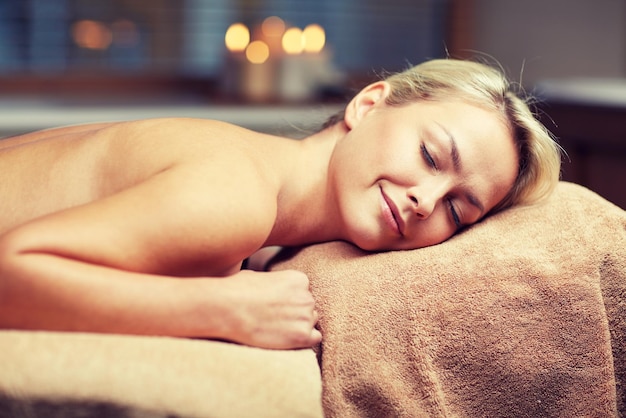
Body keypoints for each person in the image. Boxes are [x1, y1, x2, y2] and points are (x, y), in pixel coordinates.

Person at [0, 58, 561, 350]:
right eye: (431, 156)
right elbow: (10, 273)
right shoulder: (236, 195)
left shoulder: (251, 186)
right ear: (368, 105)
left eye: (459, 211)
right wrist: (227, 310)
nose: (426, 200)